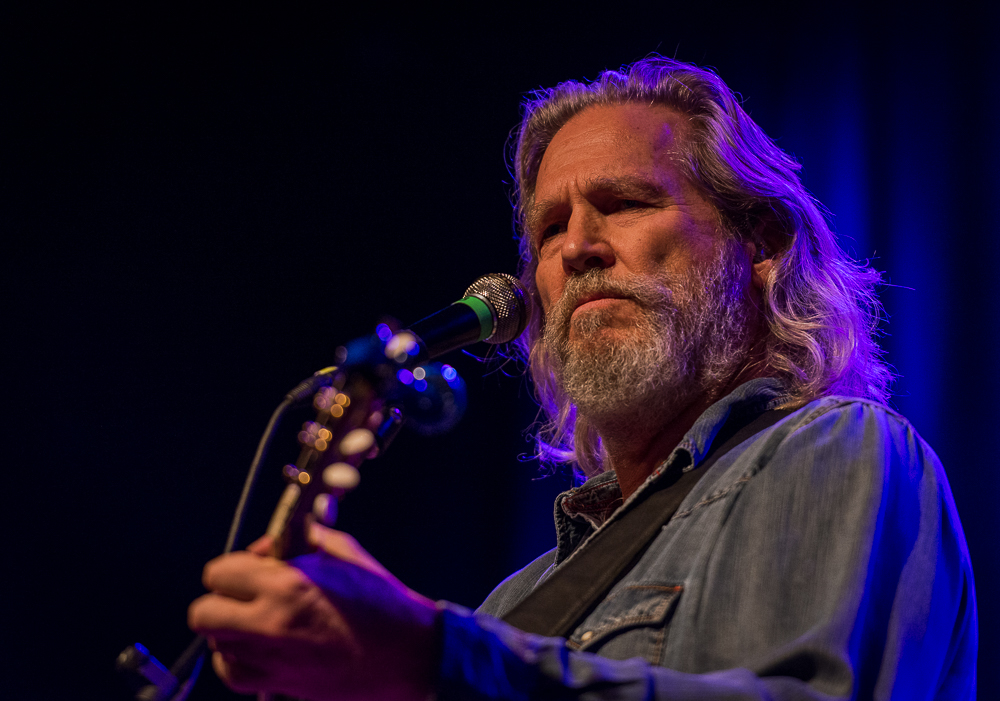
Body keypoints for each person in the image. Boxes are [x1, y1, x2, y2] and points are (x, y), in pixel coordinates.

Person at [188, 57, 978, 700]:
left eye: (626, 202)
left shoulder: (834, 447)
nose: (577, 248)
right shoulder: (512, 605)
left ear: (759, 243)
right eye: (548, 228)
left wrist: (432, 657)